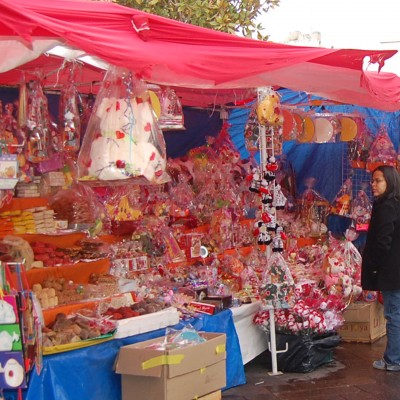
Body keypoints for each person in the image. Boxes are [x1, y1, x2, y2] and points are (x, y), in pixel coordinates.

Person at [361, 165, 400, 371]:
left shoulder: (386, 206)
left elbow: (382, 241)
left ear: (390, 182)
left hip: (392, 271)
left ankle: (394, 359)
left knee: (393, 315)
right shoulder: (394, 203)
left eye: (378, 181)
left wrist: (374, 265)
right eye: (373, 181)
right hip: (395, 269)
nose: (373, 185)